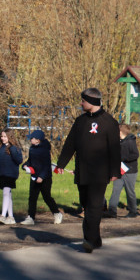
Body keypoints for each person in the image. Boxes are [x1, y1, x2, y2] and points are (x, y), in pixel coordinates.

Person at [55, 88, 121, 253]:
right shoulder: (80, 121)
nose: (81, 103)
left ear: (91, 101)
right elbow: (70, 144)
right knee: (86, 204)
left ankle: (89, 240)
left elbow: (115, 149)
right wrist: (61, 164)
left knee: (94, 206)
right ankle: (95, 239)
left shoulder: (110, 122)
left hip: (100, 172)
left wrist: (115, 171)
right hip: (82, 171)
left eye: (83, 101)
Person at [21, 129, 64, 226]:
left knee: (46, 197)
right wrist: (25, 165)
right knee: (32, 197)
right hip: (34, 177)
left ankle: (57, 213)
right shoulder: (32, 149)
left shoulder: (45, 150)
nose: (30, 140)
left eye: (32, 138)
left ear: (38, 140)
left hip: (45, 178)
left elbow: (46, 165)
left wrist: (41, 176)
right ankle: (31, 217)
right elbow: (30, 161)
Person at [106, 124, 139, 218]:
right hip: (119, 170)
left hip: (130, 171)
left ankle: (133, 211)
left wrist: (123, 158)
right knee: (115, 190)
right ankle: (112, 211)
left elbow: (135, 155)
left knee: (130, 192)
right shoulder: (117, 142)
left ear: (120, 132)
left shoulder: (131, 141)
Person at [0, 129, 23, 225]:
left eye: (5, 136)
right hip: (2, 174)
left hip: (11, 174)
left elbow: (19, 160)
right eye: (2, 136)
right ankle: (11, 217)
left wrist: (11, 148)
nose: (3, 138)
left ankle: (3, 215)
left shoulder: (15, 148)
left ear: (10, 137)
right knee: (8, 194)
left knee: (6, 192)